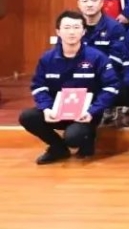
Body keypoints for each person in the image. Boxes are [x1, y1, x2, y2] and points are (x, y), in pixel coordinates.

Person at [21, 11, 119, 164]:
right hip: (57, 112)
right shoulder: (47, 58)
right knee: (27, 117)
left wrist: (92, 111)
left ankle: (88, 138)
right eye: (67, 28)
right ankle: (58, 148)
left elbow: (111, 87)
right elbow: (38, 86)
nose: (71, 32)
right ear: (58, 31)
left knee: (74, 138)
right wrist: (46, 108)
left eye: (76, 27)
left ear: (83, 31)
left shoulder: (97, 57)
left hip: (87, 114)